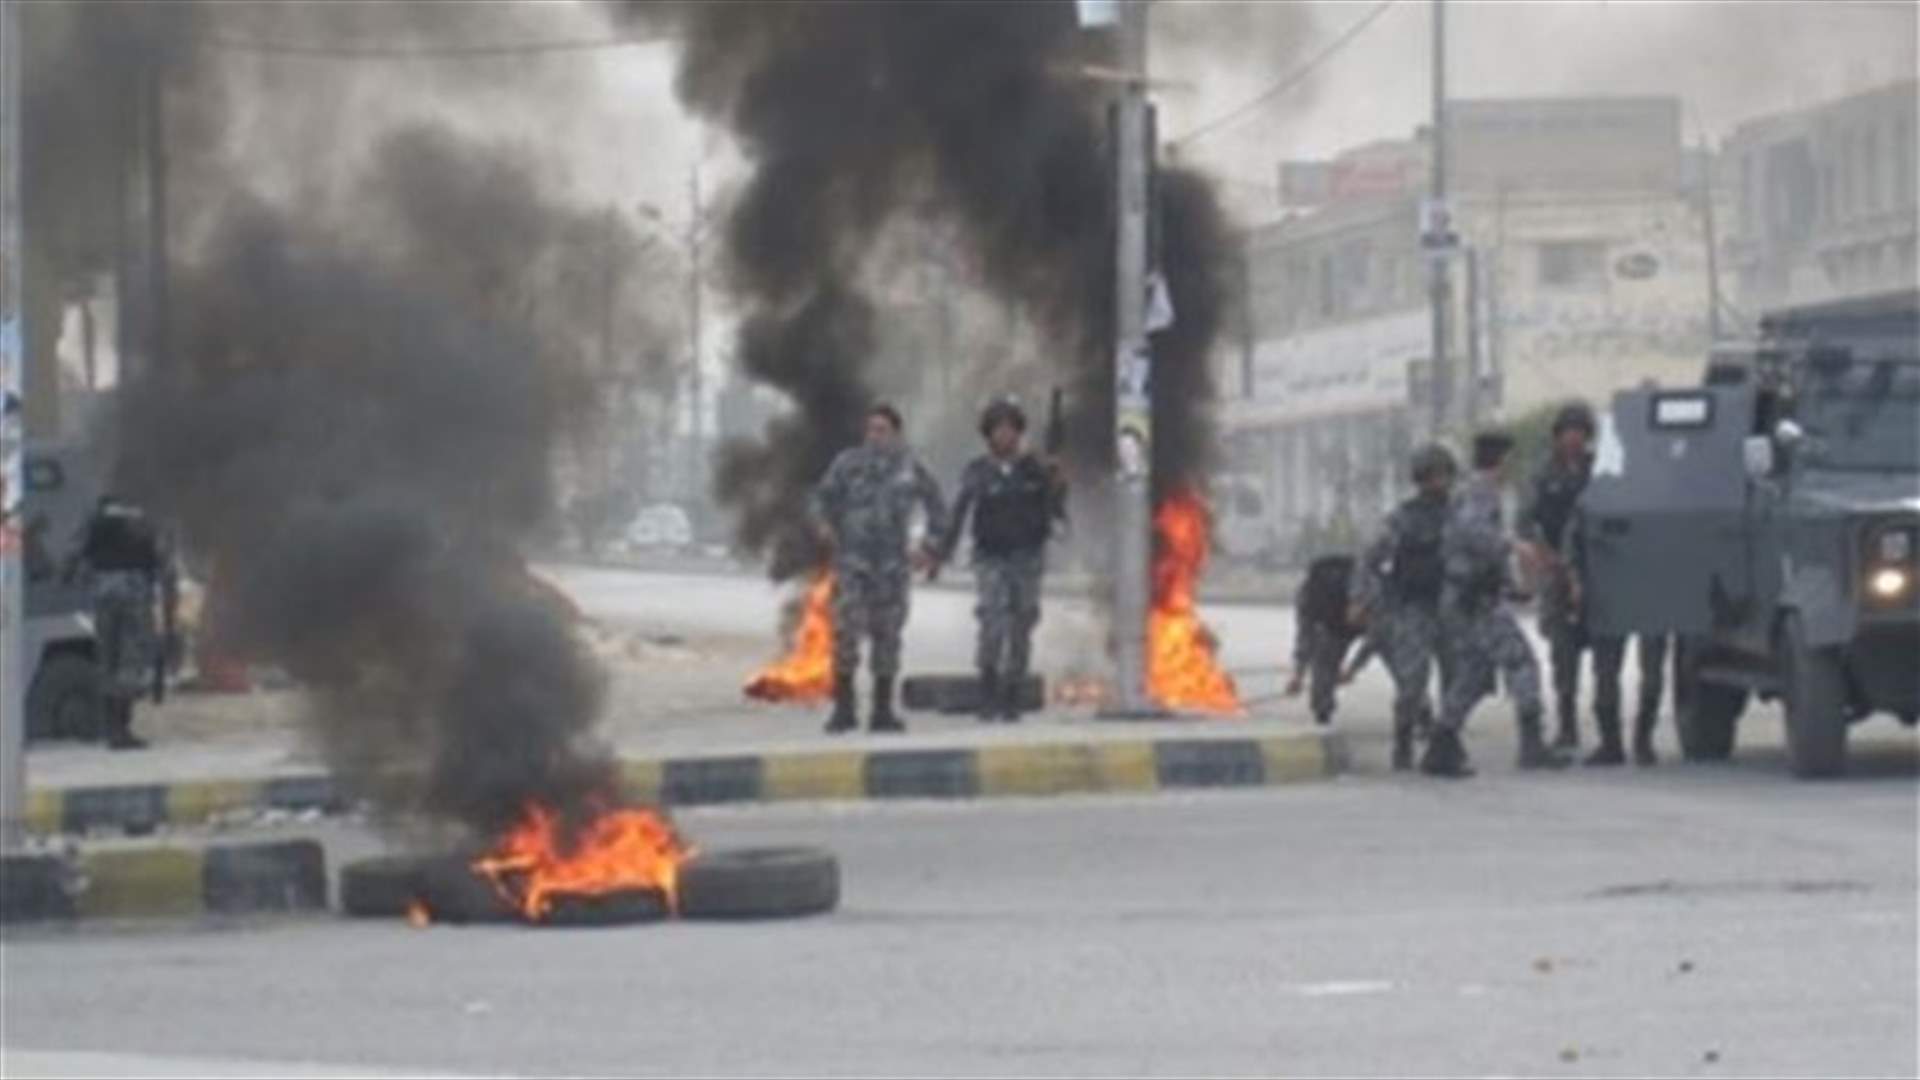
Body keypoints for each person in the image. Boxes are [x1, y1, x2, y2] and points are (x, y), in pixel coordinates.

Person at [1427, 431, 1571, 778]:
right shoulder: (1481, 490)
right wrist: (1513, 546)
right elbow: (1469, 532)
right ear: (1502, 459)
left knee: (1474, 676)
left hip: (1472, 597)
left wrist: (1512, 585)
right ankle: (1531, 744)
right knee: (1521, 662)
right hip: (1475, 601)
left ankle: (1441, 743)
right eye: (1510, 459)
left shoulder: (1477, 490)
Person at [809, 403, 948, 735]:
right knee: (845, 636)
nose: (875, 436)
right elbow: (821, 499)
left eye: (882, 430)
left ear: (896, 434)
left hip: (892, 567)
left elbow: (938, 506)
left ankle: (882, 710)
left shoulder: (910, 468)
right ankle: (844, 709)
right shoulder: (848, 464)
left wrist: (928, 546)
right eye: (870, 429)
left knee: (888, 638)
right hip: (852, 563)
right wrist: (823, 526)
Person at [935, 398, 1066, 722]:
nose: (1005, 436)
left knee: (1022, 622)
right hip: (991, 557)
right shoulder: (978, 472)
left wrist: (1058, 481)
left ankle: (1012, 694)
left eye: (1010, 429)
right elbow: (959, 513)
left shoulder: (1034, 469)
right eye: (998, 430)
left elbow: (1056, 511)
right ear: (988, 435)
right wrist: (941, 554)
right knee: (993, 622)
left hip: (1027, 556)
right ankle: (988, 689)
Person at [1353, 443, 1457, 770]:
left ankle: (1447, 743)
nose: (1438, 483)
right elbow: (1370, 558)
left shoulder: (1461, 513)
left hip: (1453, 608)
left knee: (1455, 683)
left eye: (1443, 475)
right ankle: (1403, 742)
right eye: (1431, 476)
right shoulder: (1403, 519)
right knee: (1412, 683)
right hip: (1414, 609)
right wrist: (1365, 598)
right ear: (1420, 479)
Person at [1563, 501, 1673, 766]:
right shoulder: (1600, 495)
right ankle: (1613, 742)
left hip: (1649, 592)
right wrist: (1576, 579)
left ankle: (1642, 740)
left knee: (1650, 672)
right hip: (1610, 591)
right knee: (1606, 671)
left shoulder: (1662, 497)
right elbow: (1574, 541)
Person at [1519, 402, 1598, 752]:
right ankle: (1567, 723)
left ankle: (1608, 724)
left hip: (1598, 565)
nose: (1574, 440)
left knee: (1606, 645)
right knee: (1563, 650)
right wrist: (1540, 553)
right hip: (1555, 567)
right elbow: (1524, 520)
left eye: (1580, 433)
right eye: (1569, 433)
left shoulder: (1599, 470)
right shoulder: (1543, 474)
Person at [66, 495, 172, 750]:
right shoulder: (145, 514)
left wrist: (70, 580)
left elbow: (75, 553)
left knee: (107, 660)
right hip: (135, 591)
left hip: (103, 591)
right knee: (130, 662)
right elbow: (162, 559)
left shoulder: (98, 515)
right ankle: (120, 730)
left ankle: (110, 728)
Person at [1286, 553, 1376, 727]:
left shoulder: (1375, 599)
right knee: (1323, 665)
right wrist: (1298, 674)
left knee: (1407, 667)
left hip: (1370, 621)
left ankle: (1419, 710)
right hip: (1335, 629)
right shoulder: (1313, 598)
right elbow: (1305, 635)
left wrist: (1353, 669)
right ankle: (1323, 710)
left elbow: (1375, 641)